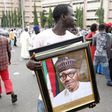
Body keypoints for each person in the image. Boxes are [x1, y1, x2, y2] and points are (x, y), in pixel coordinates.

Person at [26, 4, 95, 112]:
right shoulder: (41, 38)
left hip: (69, 99)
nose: (75, 18)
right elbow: (32, 61)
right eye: (72, 15)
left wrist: (90, 97)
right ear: (63, 17)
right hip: (46, 97)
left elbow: (82, 69)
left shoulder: (74, 39)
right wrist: (29, 64)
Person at [0, 32, 17, 103]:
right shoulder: (5, 39)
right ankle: (12, 93)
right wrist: (9, 60)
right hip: (4, 63)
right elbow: (9, 51)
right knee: (6, 79)